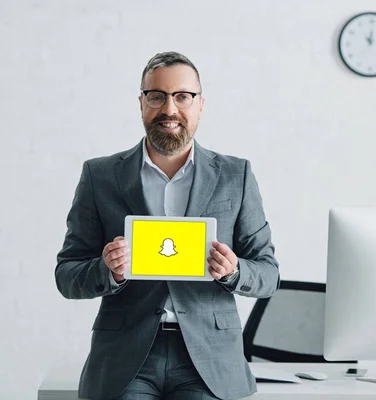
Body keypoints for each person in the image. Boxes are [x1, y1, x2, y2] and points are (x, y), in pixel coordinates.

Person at [55, 51, 280, 400]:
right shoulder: (100, 176)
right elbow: (67, 275)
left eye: (182, 97)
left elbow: (268, 275)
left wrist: (235, 271)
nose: (169, 109)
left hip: (209, 359)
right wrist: (108, 270)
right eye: (156, 96)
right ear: (142, 103)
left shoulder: (237, 176)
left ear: (200, 104)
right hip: (125, 358)